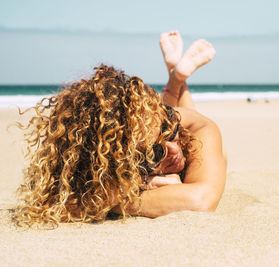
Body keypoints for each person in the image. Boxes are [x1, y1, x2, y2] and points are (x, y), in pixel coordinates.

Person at [13, 31, 226, 226]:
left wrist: (119, 196)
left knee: (180, 119)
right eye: (155, 153)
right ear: (120, 160)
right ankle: (176, 76)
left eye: (168, 129)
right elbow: (53, 205)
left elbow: (202, 200)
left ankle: (176, 78)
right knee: (155, 128)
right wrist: (140, 183)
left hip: (185, 123)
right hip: (153, 125)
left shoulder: (196, 128)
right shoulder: (137, 137)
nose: (173, 149)